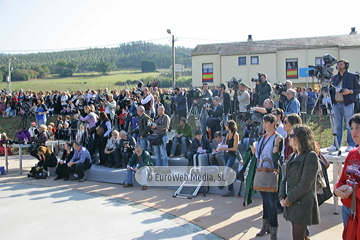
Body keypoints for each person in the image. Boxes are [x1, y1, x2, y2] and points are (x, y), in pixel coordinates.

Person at [279, 124, 320, 240]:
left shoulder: (311, 156)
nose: (288, 138)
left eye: (291, 135)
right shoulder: (292, 156)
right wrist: (281, 196)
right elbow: (285, 178)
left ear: (301, 137)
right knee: (302, 236)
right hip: (292, 203)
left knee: (298, 237)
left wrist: (288, 199)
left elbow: (305, 184)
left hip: (302, 205)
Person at [247, 114, 283, 239]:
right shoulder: (262, 138)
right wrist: (254, 150)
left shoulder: (278, 138)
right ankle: (265, 226)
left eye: (266, 122)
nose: (264, 125)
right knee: (265, 202)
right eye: (263, 123)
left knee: (272, 202)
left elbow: (276, 157)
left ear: (273, 123)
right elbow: (258, 155)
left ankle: (274, 228)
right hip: (262, 172)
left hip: (271, 173)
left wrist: (276, 146)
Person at [334, 113, 360, 229]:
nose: (353, 132)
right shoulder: (352, 153)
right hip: (347, 209)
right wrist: (336, 191)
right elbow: (343, 180)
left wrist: (352, 191)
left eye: (358, 128)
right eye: (352, 128)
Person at [329, 59, 360, 152]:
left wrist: (350, 91)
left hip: (348, 103)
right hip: (337, 103)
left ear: (346, 65)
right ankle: (336, 144)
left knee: (349, 125)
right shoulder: (335, 78)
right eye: (338, 65)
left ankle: (351, 144)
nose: (339, 66)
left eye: (341, 64)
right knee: (337, 125)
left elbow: (358, 89)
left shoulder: (352, 76)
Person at [216, 120, 240, 197]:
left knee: (226, 169)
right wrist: (221, 147)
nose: (225, 126)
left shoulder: (235, 135)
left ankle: (234, 177)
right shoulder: (227, 135)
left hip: (232, 155)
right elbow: (226, 145)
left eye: (226, 125)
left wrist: (224, 149)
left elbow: (234, 148)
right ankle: (230, 190)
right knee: (227, 171)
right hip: (226, 155)